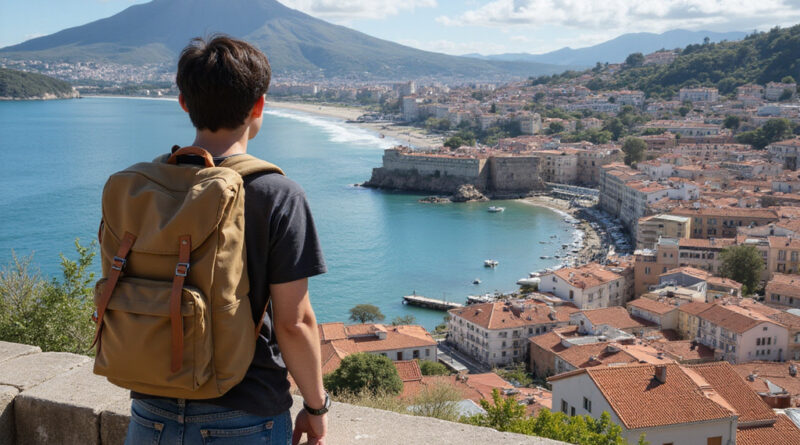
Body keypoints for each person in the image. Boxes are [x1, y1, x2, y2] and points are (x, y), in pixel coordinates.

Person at [124, 36, 328, 445]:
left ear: (183, 102)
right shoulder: (277, 192)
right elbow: (293, 322)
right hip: (245, 411)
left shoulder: (140, 187)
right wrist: (315, 406)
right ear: (259, 105)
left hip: (150, 406)